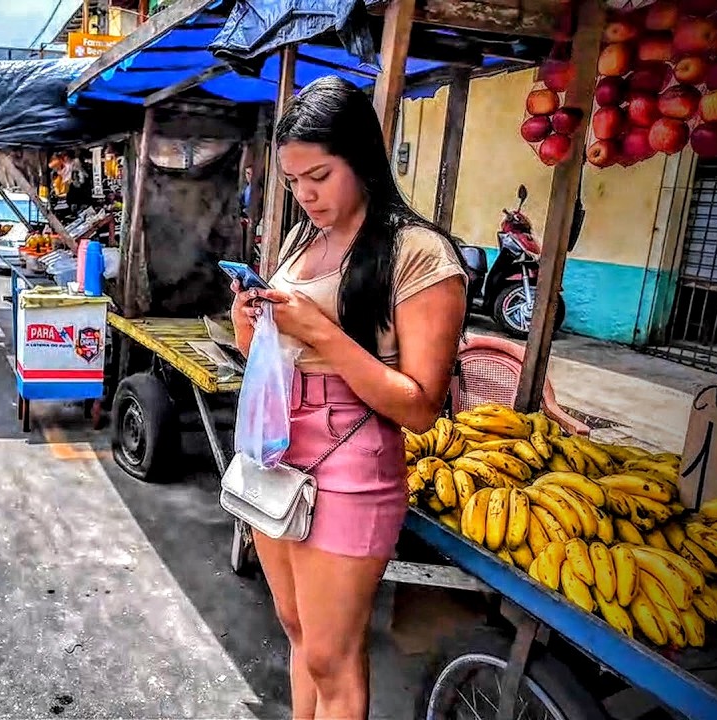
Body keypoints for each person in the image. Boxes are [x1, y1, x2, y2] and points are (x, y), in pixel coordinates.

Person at [228, 76, 468, 719]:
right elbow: (267, 356)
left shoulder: (419, 254)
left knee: (334, 655)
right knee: (299, 632)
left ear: (362, 158)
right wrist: (251, 320)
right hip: (277, 447)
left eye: (321, 175)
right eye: (293, 180)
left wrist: (320, 333)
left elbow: (419, 407)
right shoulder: (302, 240)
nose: (305, 194)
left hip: (352, 459)